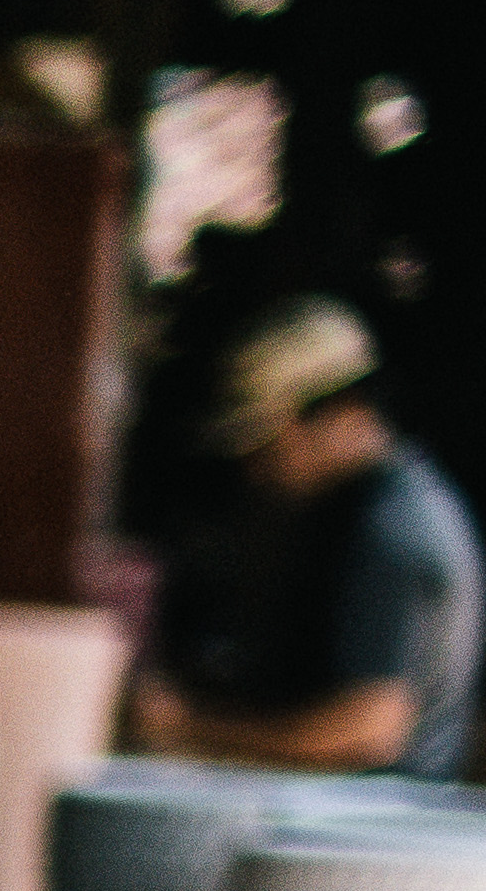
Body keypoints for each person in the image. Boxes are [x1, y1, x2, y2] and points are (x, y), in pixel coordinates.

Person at [135, 299, 481, 779]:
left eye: (267, 440)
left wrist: (186, 728)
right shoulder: (377, 506)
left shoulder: (393, 528)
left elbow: (369, 730)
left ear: (338, 409)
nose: (256, 469)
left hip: (365, 837)